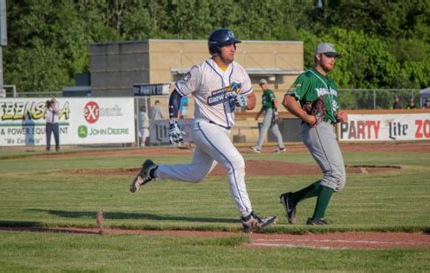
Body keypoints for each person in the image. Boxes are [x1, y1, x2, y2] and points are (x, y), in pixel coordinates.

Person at [129, 28, 277, 233]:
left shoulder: (239, 70)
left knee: (196, 174)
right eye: (229, 44)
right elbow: (176, 94)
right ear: (217, 48)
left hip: (222, 130)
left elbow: (251, 100)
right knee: (236, 163)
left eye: (234, 44)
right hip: (204, 125)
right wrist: (174, 122)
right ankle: (248, 217)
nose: (234, 48)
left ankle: (153, 171)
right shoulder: (202, 71)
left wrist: (246, 101)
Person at [280, 43, 348, 225]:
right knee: (333, 174)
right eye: (329, 55)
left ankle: (292, 199)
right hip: (315, 128)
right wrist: (306, 117)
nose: (333, 59)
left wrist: (338, 116)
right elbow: (287, 100)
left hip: (327, 127)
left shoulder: (332, 84)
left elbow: (330, 112)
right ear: (318, 56)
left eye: (334, 56)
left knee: (339, 181)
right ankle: (317, 218)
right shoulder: (308, 77)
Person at [250, 79, 286, 153]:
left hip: (271, 111)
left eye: (263, 84)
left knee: (264, 128)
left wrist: (276, 111)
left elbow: (275, 101)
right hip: (268, 110)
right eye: (261, 84)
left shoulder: (269, 92)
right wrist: (258, 115)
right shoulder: (264, 94)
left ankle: (258, 147)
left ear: (266, 84)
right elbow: (263, 107)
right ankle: (281, 147)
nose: (262, 85)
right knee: (275, 129)